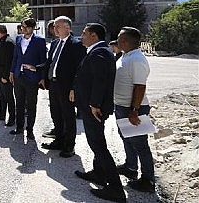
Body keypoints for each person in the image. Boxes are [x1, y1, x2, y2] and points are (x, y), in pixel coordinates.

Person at [71, 23, 126, 203]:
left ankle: (116, 189)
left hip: (95, 109)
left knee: (98, 145)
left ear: (94, 36)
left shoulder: (100, 52)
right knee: (96, 142)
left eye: (84, 33)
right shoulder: (98, 50)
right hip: (92, 106)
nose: (81, 36)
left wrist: (94, 104)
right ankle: (98, 173)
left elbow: (100, 81)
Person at [114, 27, 156, 193]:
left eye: (119, 37)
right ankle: (130, 167)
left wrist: (135, 110)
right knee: (126, 138)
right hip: (122, 106)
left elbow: (140, 87)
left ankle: (148, 180)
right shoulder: (126, 56)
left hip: (132, 108)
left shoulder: (137, 59)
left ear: (125, 40)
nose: (117, 40)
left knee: (140, 144)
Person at [41, 16, 86, 158]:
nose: (54, 29)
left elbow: (80, 69)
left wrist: (74, 88)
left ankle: (69, 145)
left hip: (67, 87)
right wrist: (43, 77)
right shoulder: (54, 43)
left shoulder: (76, 44)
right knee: (56, 114)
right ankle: (59, 140)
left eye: (57, 26)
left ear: (67, 27)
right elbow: (50, 62)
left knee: (68, 116)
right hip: (53, 85)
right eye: (54, 27)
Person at [9, 17, 46, 140]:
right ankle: (19, 128)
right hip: (18, 77)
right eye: (21, 27)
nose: (22, 29)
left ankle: (29, 130)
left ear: (31, 28)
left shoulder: (40, 41)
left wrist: (36, 69)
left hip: (32, 79)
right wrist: (11, 72)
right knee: (19, 104)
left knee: (31, 105)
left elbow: (44, 61)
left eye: (24, 27)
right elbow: (15, 57)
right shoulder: (19, 38)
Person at [0, 24, 16, 126]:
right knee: (2, 96)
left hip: (4, 77)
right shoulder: (3, 41)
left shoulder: (8, 43)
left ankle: (12, 118)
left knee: (9, 97)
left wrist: (5, 76)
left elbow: (9, 62)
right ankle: (2, 114)